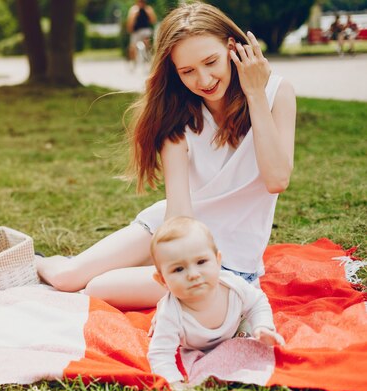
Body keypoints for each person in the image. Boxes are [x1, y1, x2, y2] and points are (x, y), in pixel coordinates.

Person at [36, 2, 296, 311]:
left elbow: (277, 179)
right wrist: (171, 262)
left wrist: (254, 94)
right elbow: (180, 216)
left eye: (211, 62)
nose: (204, 80)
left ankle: (124, 268)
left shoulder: (276, 93)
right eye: (187, 71)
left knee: (98, 287)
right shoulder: (178, 115)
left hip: (226, 262)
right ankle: (37, 262)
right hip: (176, 231)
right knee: (67, 278)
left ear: (231, 47)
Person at [146, 216, 285, 389]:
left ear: (218, 261)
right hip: (195, 345)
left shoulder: (232, 286)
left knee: (251, 337)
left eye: (201, 262)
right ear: (162, 280)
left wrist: (263, 326)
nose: (193, 274)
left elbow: (257, 302)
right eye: (179, 269)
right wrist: (174, 382)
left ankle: (247, 333)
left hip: (237, 324)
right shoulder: (171, 313)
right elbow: (160, 354)